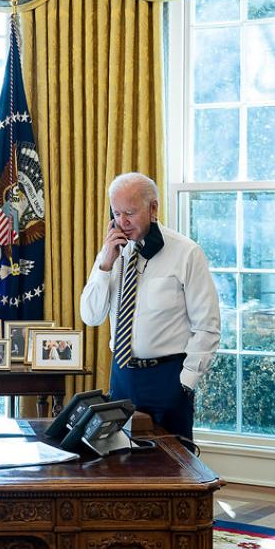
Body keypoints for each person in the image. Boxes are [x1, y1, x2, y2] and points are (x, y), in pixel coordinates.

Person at [80, 172, 220, 441]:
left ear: (153, 208)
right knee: (120, 462)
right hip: (122, 377)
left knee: (175, 470)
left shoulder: (187, 253)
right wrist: (105, 265)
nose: (122, 222)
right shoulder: (111, 253)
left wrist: (186, 383)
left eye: (130, 213)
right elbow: (91, 315)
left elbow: (207, 325)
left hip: (168, 378)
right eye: (116, 213)